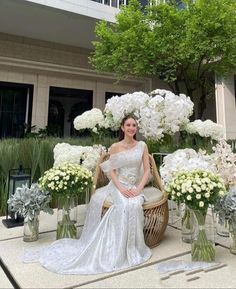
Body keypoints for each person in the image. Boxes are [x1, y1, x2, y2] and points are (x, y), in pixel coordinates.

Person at [23, 115, 152, 275]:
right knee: (124, 205)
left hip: (135, 186)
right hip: (118, 185)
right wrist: (120, 188)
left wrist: (139, 189)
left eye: (134, 125)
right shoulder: (115, 147)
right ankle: (116, 249)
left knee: (134, 204)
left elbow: (147, 170)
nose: (131, 128)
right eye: (128, 125)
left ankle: (133, 247)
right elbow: (111, 171)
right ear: (122, 127)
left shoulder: (142, 146)